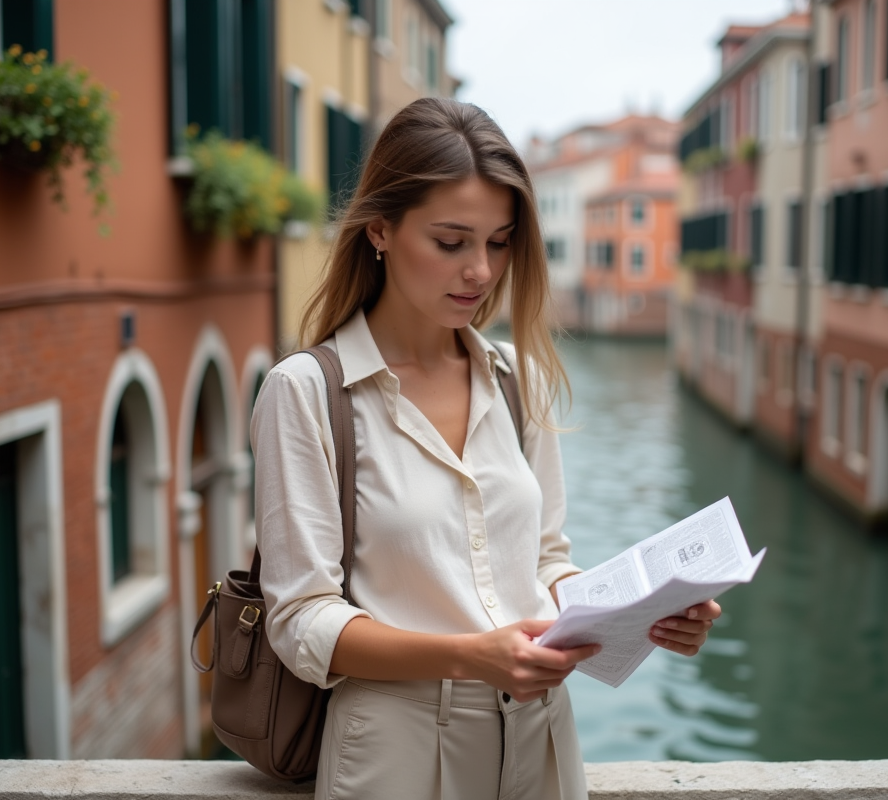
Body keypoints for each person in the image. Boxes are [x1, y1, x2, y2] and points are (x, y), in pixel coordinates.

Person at [251, 97, 721, 800]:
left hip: (543, 742)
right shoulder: (306, 392)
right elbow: (301, 621)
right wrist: (471, 658)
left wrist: (637, 613)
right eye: (451, 242)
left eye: (499, 242)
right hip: (394, 755)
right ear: (379, 230)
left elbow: (544, 560)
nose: (481, 271)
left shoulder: (516, 381)